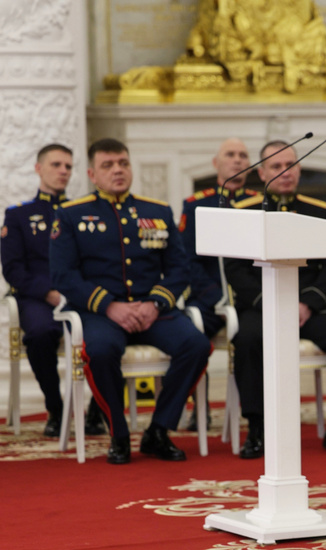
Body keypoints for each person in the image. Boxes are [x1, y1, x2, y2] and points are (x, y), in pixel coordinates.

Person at [50, 138, 211, 464]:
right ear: (92, 174)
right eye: (108, 165)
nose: (118, 170)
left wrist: (155, 304)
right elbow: (63, 275)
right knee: (100, 351)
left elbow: (180, 269)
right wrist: (109, 305)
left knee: (196, 345)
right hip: (99, 313)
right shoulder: (70, 215)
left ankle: (159, 430)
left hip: (152, 311)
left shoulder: (158, 211)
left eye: (123, 163)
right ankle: (119, 433)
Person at [225, 140, 326, 458]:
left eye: (290, 165)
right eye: (276, 166)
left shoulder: (319, 211)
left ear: (299, 169)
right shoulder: (244, 213)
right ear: (261, 173)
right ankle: (256, 428)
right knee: (247, 340)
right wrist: (272, 304)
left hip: (307, 308)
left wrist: (307, 304)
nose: (285, 172)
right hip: (262, 307)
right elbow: (235, 270)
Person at [2, 144, 106, 437]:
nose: (63, 171)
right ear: (39, 169)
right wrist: (49, 293)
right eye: (56, 165)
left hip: (80, 295)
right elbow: (13, 269)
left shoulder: (83, 212)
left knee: (108, 332)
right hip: (38, 297)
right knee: (39, 334)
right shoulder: (19, 215)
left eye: (68, 166)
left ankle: (98, 410)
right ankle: (56, 408)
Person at [178, 137, 258, 431]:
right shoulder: (196, 205)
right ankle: (199, 406)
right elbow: (188, 260)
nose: (237, 160)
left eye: (243, 155)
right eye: (230, 154)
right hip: (210, 296)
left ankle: (257, 409)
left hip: (251, 297)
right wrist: (216, 297)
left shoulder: (260, 203)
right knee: (189, 335)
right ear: (216, 163)